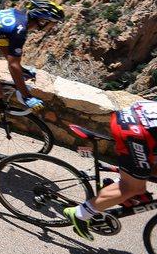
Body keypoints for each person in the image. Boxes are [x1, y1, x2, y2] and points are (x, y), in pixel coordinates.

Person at [64, 100, 157, 241]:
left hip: (135, 117)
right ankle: (79, 214)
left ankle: (114, 185)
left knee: (142, 170)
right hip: (137, 131)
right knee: (133, 188)